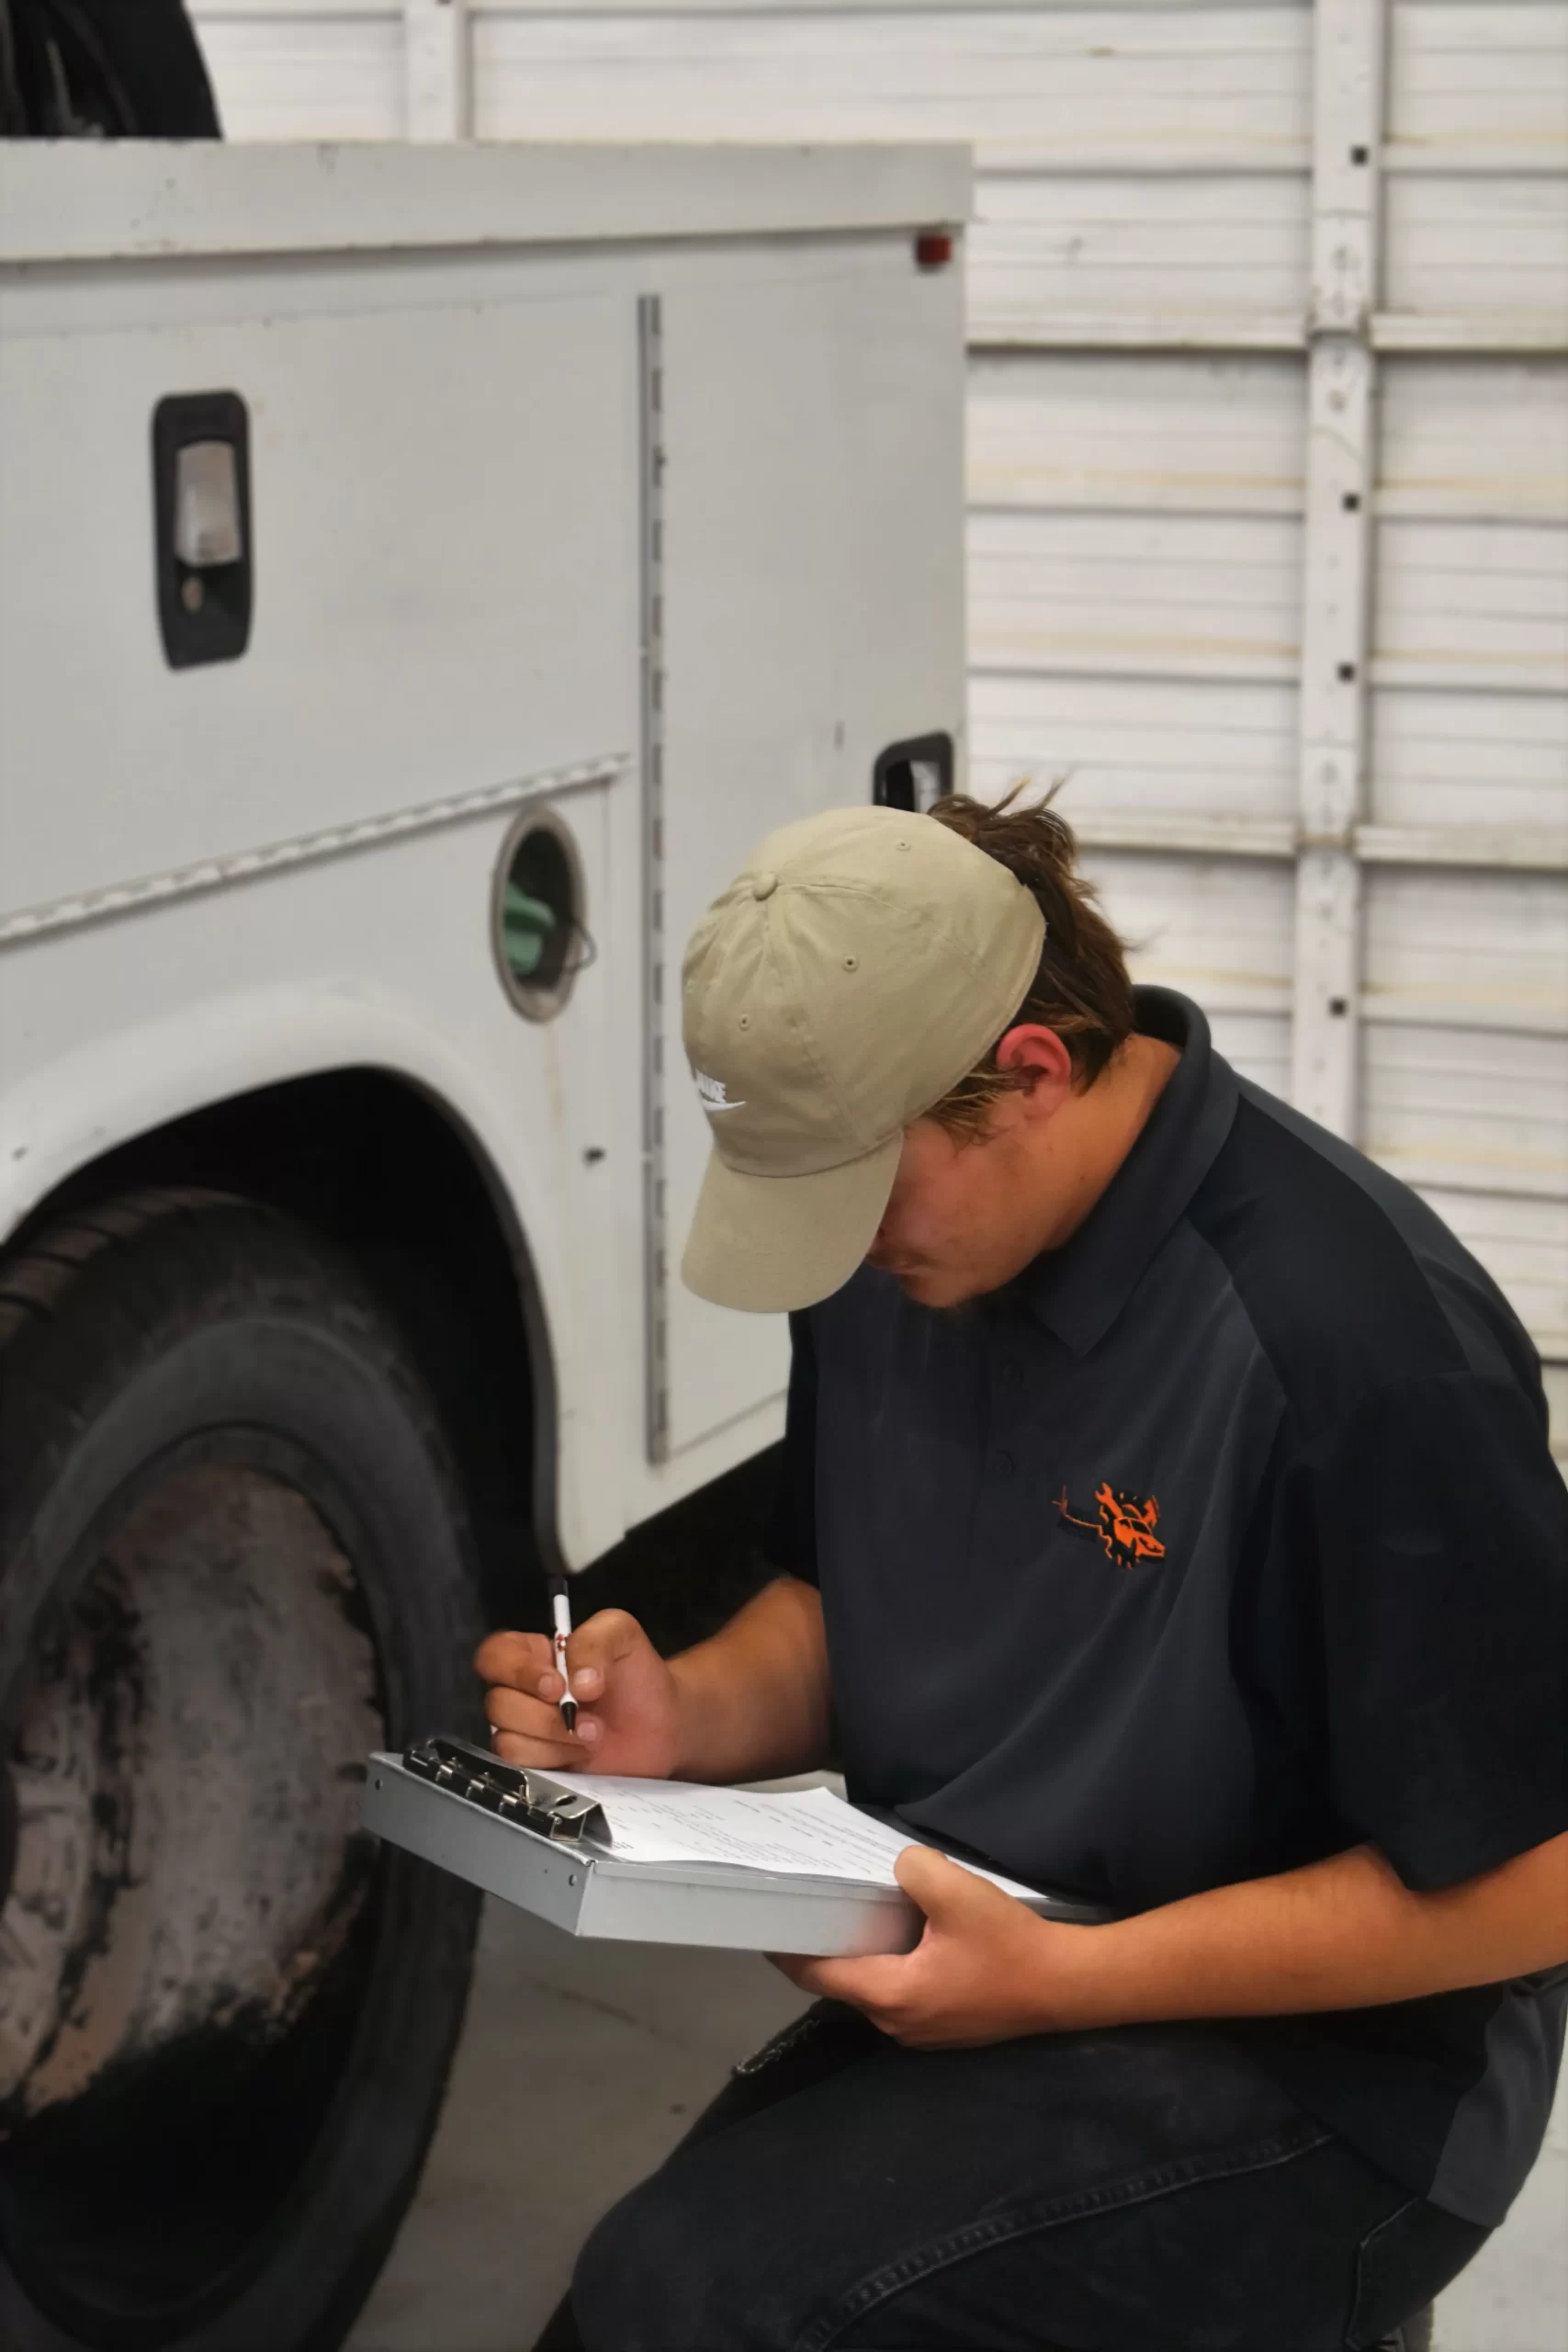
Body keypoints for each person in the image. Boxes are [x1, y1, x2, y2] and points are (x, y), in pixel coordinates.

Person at [478, 797, 1568, 2352]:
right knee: (636, 2303)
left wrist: (1068, 1981)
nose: (840, 1251)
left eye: (856, 1195)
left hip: (1338, 2072)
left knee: (701, 2304)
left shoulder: (1355, 1347)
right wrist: (689, 1716)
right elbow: (861, 1596)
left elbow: (1539, 1870)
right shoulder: (904, 1250)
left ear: (1030, 1078)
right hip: (1012, 1952)